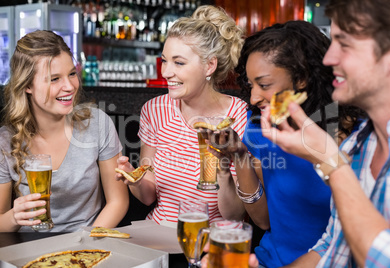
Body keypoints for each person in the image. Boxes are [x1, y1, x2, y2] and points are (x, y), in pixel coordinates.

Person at [200, 20, 364, 267]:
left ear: (301, 79)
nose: (254, 97)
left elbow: (354, 236)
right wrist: (240, 155)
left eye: (264, 85)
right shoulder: (259, 126)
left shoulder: (357, 136)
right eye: (250, 84)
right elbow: (264, 221)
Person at [258, 0, 390, 267]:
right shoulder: (360, 145)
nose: (328, 59)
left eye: (344, 44)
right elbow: (332, 247)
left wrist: (331, 162)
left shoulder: (339, 154)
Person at [116, 5, 247, 226]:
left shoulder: (238, 116)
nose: (166, 72)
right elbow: (149, 196)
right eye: (164, 60)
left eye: (178, 62)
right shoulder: (155, 110)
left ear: (209, 65)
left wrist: (223, 170)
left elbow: (234, 215)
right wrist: (133, 178)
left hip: (212, 241)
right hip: (159, 234)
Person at [0, 30, 129, 232]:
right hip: (28, 248)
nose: (69, 86)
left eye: (71, 74)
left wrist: (86, 245)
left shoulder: (97, 124)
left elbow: (118, 202)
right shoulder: (5, 141)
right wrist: (14, 217)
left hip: (87, 244)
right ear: (27, 86)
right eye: (54, 79)